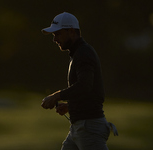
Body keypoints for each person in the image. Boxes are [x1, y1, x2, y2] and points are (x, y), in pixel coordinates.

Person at [41, 12, 118, 150]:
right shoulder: (78, 53)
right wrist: (71, 106)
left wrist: (56, 96)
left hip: (89, 128)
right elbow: (88, 92)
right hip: (80, 127)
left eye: (57, 34)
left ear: (71, 31)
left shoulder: (83, 54)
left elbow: (84, 86)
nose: (55, 39)